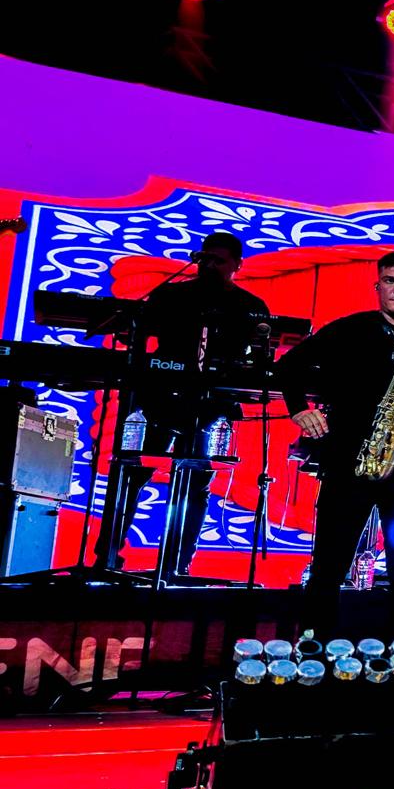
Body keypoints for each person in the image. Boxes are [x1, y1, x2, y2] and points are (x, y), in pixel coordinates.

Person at [277, 251, 394, 637]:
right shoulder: (349, 330)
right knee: (329, 564)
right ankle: (315, 648)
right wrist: (299, 410)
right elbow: (288, 366)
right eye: (390, 281)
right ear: (377, 286)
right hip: (348, 459)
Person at [94, 231, 269, 579]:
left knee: (196, 482)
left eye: (219, 261)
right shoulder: (172, 294)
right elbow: (137, 330)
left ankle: (178, 564)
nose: (210, 265)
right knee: (132, 472)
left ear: (237, 265)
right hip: (160, 396)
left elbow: (258, 358)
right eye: (205, 258)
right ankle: (108, 558)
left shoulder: (249, 306)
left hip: (211, 405)